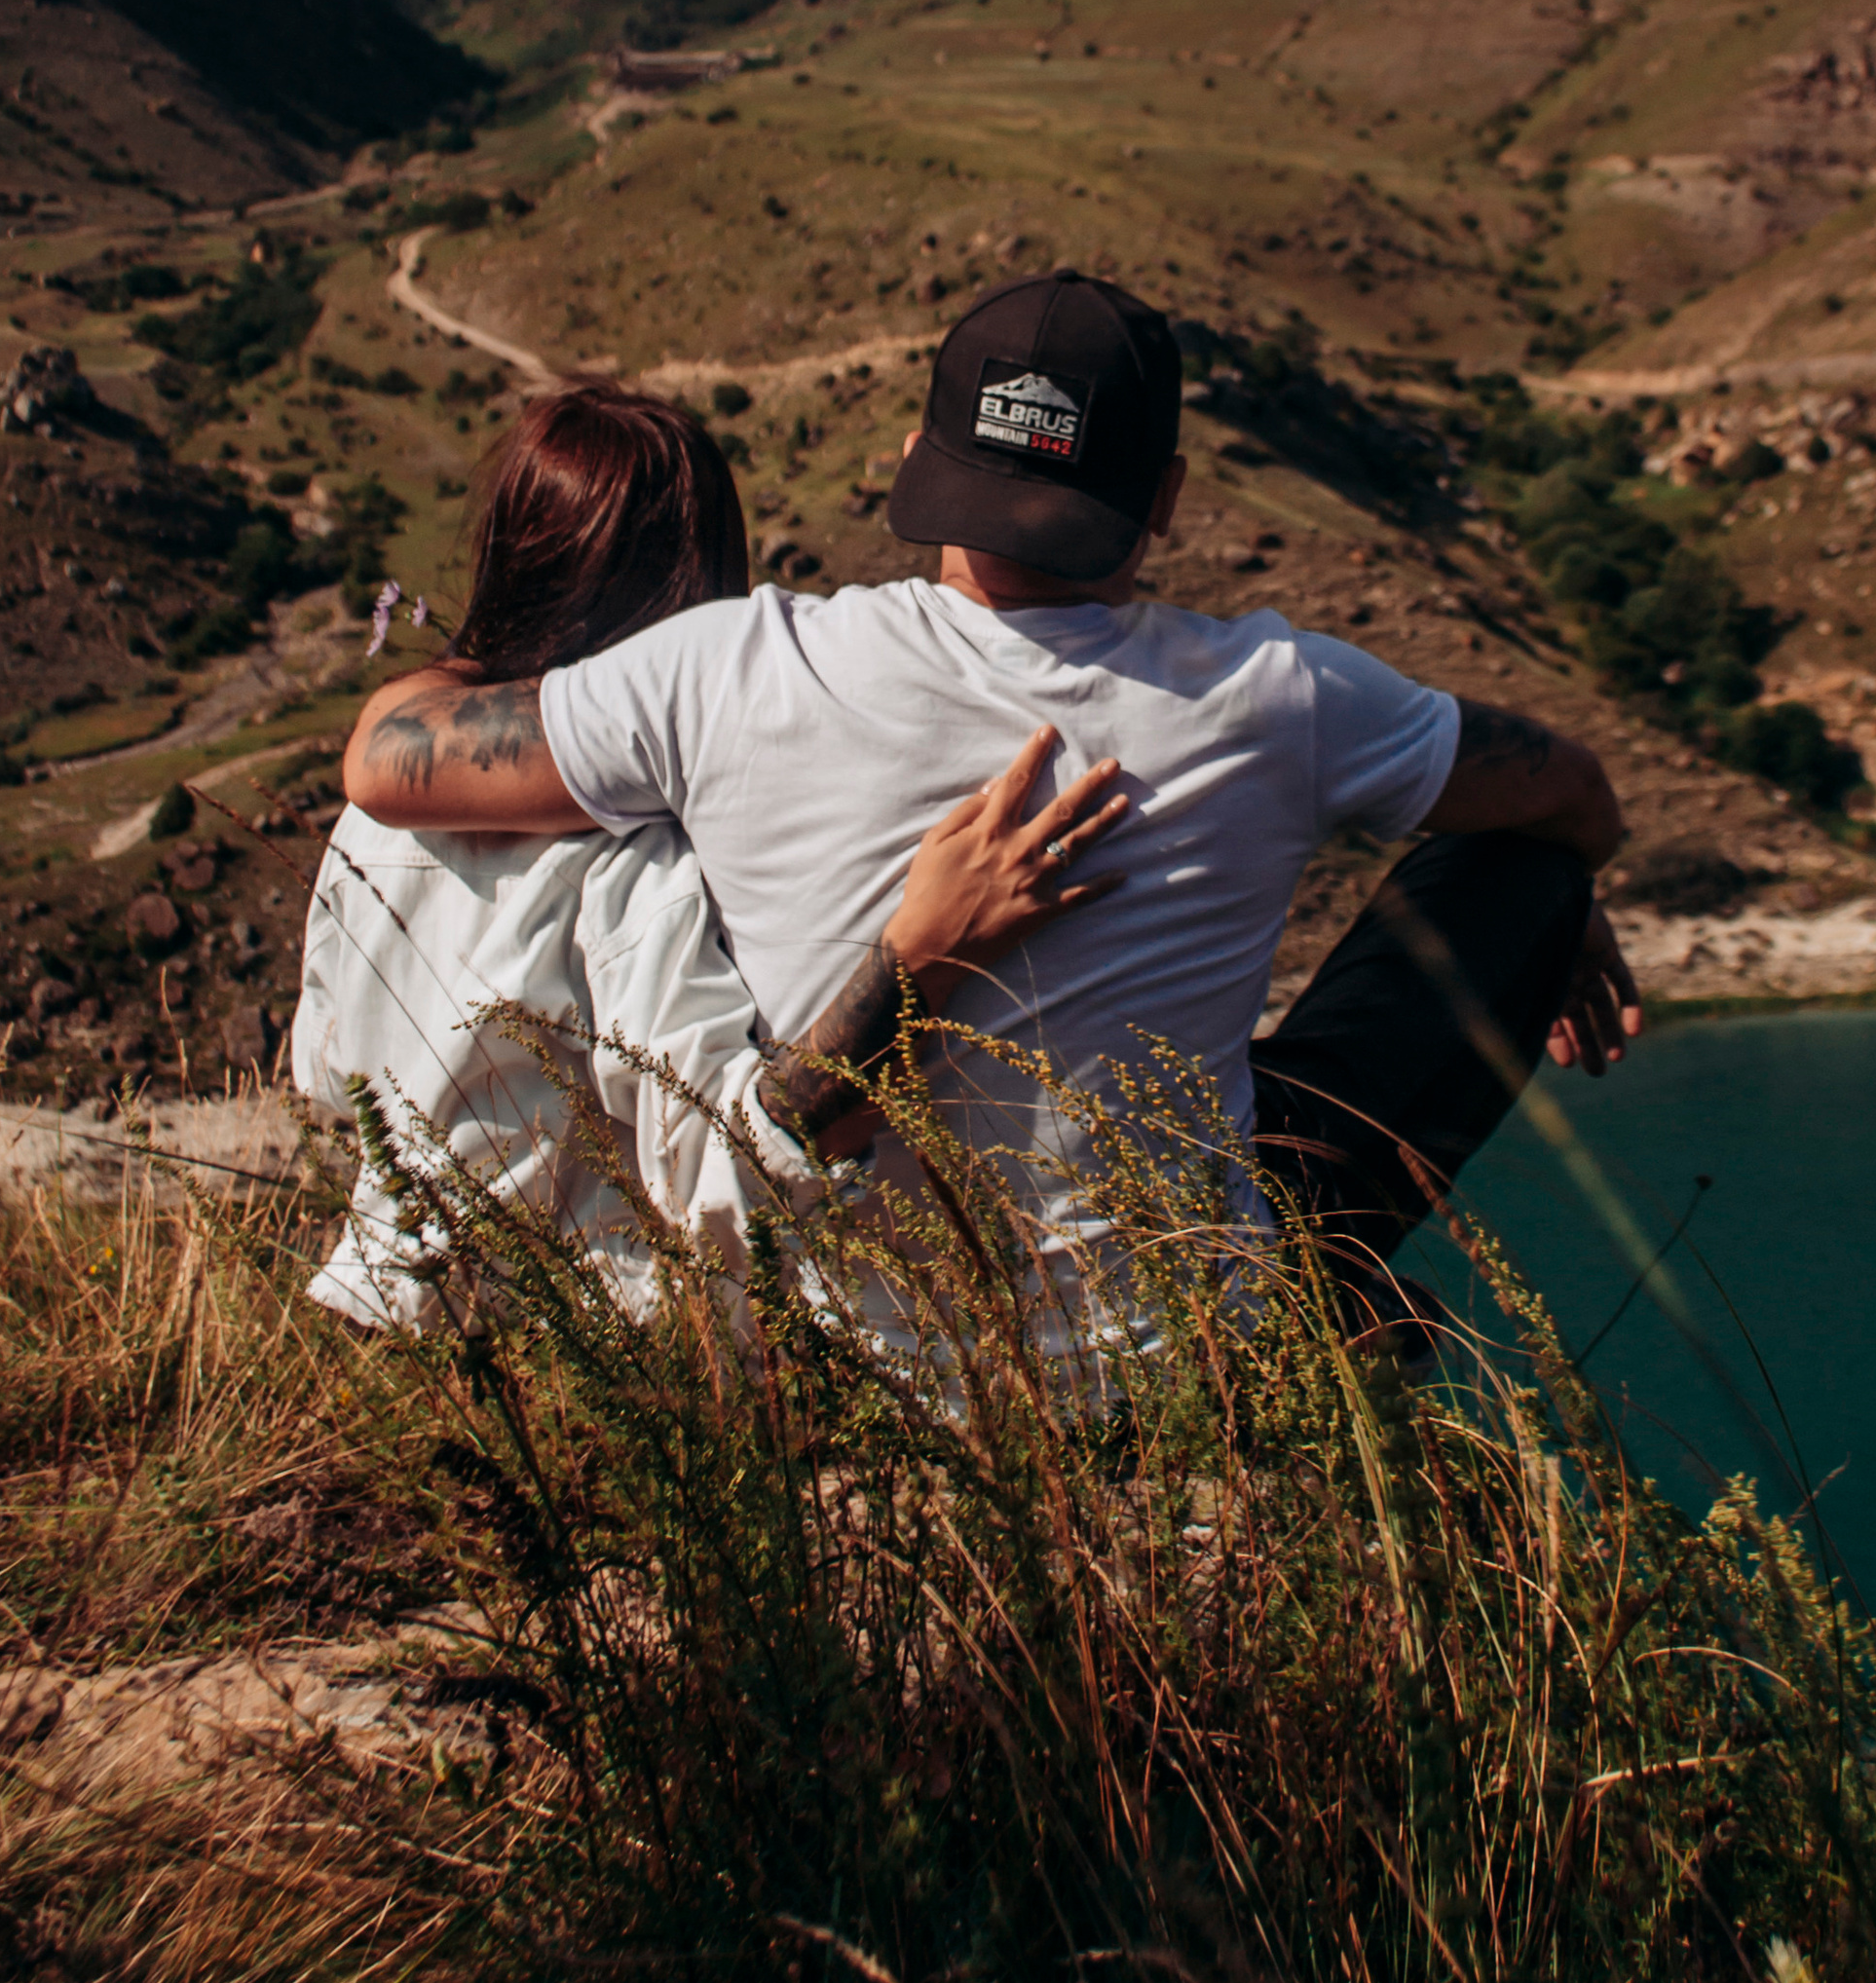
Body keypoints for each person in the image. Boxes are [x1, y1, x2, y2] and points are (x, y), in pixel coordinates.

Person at [340, 277, 1638, 1370]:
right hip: (1172, 1341)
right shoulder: (1280, 698)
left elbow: (389, 762)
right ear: (1167, 496)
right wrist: (1562, 899)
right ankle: (1320, 1302)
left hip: (866, 1353)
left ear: (914, 462)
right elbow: (1571, 793)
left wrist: (453, 665)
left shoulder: (727, 670)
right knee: (1511, 874)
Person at [297, 378, 1123, 1332]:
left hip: (376, 1311)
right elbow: (730, 1174)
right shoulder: (641, 864)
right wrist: (919, 960)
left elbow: (327, 1074)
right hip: (572, 1352)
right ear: (700, 584)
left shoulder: (378, 820)